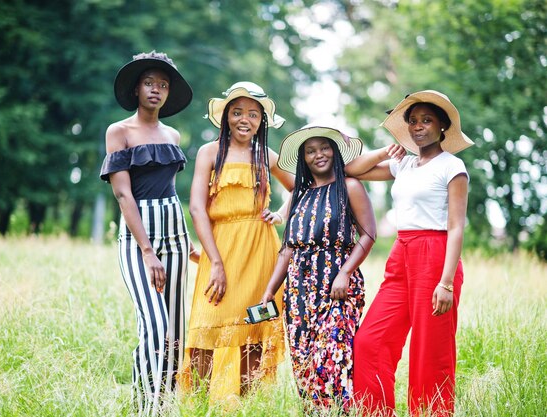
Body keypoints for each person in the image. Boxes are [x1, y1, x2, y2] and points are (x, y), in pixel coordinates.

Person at [347, 90, 474, 416]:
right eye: (413, 121)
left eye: (426, 120)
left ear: (443, 126)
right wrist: (382, 152)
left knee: (430, 351)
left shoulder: (452, 165)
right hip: (401, 254)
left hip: (435, 255)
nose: (418, 126)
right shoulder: (403, 165)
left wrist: (445, 282)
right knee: (369, 342)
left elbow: (456, 226)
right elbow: (352, 170)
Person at [179, 81, 295, 401]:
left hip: (260, 250)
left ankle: (248, 405)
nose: (245, 119)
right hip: (220, 249)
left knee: (253, 329)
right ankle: (198, 403)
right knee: (207, 325)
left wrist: (281, 214)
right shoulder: (209, 152)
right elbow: (197, 208)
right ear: (226, 115)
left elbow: (300, 187)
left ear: (262, 121)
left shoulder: (266, 154)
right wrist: (213, 260)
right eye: (238, 112)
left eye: (254, 114)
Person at [99, 51, 198, 416]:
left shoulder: (172, 133)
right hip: (140, 236)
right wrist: (146, 250)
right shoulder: (119, 131)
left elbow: (172, 192)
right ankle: (145, 408)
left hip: (174, 230)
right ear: (136, 89)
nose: (156, 90)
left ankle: (164, 407)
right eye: (149, 83)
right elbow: (123, 193)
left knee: (175, 331)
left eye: (163, 85)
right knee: (154, 326)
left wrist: (186, 240)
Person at [260, 125, 377, 412]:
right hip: (299, 294)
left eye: (324, 147)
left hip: (338, 288)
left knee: (334, 359)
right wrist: (269, 291)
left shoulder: (349, 187)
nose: (319, 155)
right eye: (310, 151)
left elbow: (368, 234)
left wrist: (346, 272)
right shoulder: (299, 195)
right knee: (304, 364)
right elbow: (288, 248)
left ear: (335, 151)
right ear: (303, 159)